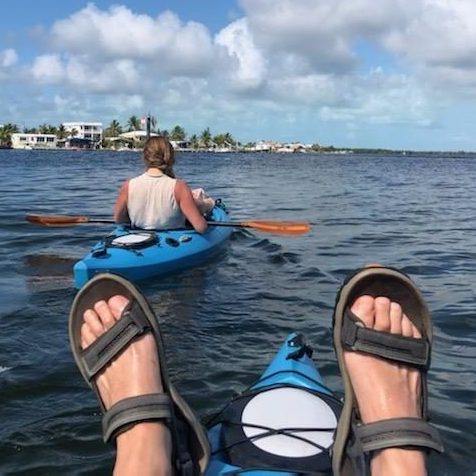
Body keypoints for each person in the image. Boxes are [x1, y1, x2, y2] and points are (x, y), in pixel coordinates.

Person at [69, 266, 443, 476]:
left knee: (139, 464)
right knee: (403, 468)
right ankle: (400, 459)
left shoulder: (132, 189)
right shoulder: (178, 188)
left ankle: (145, 449)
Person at [114, 136, 208, 234]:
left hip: (139, 238)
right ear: (170, 157)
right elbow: (201, 227)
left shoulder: (128, 185)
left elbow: (119, 219)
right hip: (173, 242)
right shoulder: (179, 187)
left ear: (145, 157)